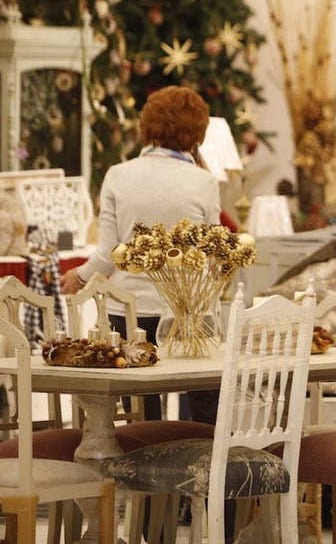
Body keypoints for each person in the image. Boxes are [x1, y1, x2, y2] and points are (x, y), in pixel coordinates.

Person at [61, 85, 221, 422]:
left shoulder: (118, 176)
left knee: (142, 409)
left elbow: (108, 253)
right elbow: (211, 251)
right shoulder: (203, 182)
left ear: (147, 126)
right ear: (196, 134)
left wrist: (79, 276)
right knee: (205, 399)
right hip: (188, 311)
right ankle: (207, 459)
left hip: (132, 311)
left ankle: (143, 462)